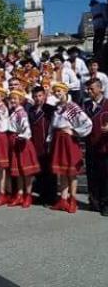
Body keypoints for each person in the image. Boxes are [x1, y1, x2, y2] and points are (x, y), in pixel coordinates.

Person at [49, 82, 92, 214]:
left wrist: (74, 131)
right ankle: (63, 199)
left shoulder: (72, 107)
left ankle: (72, 200)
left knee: (71, 172)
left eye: (60, 91)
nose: (57, 94)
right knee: (62, 171)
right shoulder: (57, 107)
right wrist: (50, 138)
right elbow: (53, 125)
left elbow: (87, 122)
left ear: (65, 92)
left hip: (68, 140)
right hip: (59, 139)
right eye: (56, 92)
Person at [7, 90, 40, 208]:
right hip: (15, 141)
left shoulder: (21, 113)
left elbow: (26, 126)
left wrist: (23, 135)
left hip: (22, 142)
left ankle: (28, 195)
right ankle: (20, 194)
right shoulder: (14, 112)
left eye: (15, 98)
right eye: (11, 98)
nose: (12, 101)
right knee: (19, 171)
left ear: (20, 100)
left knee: (26, 172)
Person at [83, 78, 108, 216]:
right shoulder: (86, 105)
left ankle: (105, 204)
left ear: (100, 88)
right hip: (90, 145)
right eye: (88, 89)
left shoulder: (107, 104)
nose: (89, 91)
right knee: (92, 175)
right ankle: (94, 202)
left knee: (105, 177)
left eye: (91, 89)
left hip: (104, 147)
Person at [28, 86, 57, 205]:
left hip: (47, 145)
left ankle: (51, 197)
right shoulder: (31, 110)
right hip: (35, 144)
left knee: (49, 172)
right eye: (35, 96)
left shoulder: (50, 109)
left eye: (40, 96)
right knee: (39, 172)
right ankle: (42, 195)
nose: (37, 98)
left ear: (44, 96)